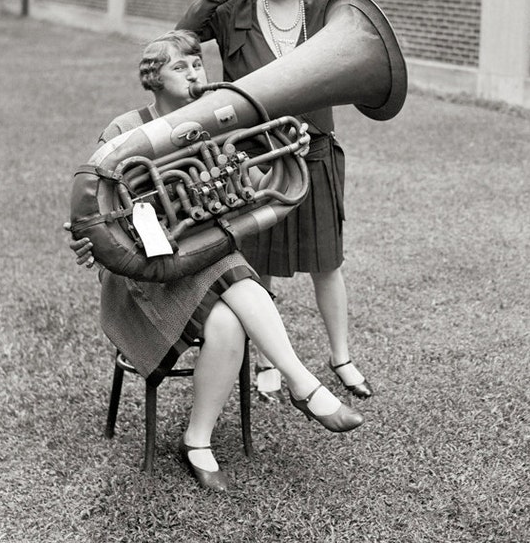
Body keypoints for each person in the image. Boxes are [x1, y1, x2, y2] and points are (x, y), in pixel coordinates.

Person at [65, 30, 363, 494]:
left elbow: (251, 183)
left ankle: (197, 441)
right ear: (152, 79)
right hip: (143, 280)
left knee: (228, 317)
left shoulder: (216, 122)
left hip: (199, 259)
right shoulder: (125, 131)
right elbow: (91, 206)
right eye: (178, 67)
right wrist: (88, 242)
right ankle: (305, 386)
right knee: (229, 263)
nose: (193, 72)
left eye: (196, 64)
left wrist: (289, 153)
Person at [176, 0, 373, 402]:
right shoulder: (235, 8)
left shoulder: (325, 3)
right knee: (256, 257)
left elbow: (370, 25)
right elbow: (183, 33)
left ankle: (341, 357)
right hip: (253, 154)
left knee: (327, 261)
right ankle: (267, 360)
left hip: (316, 147)